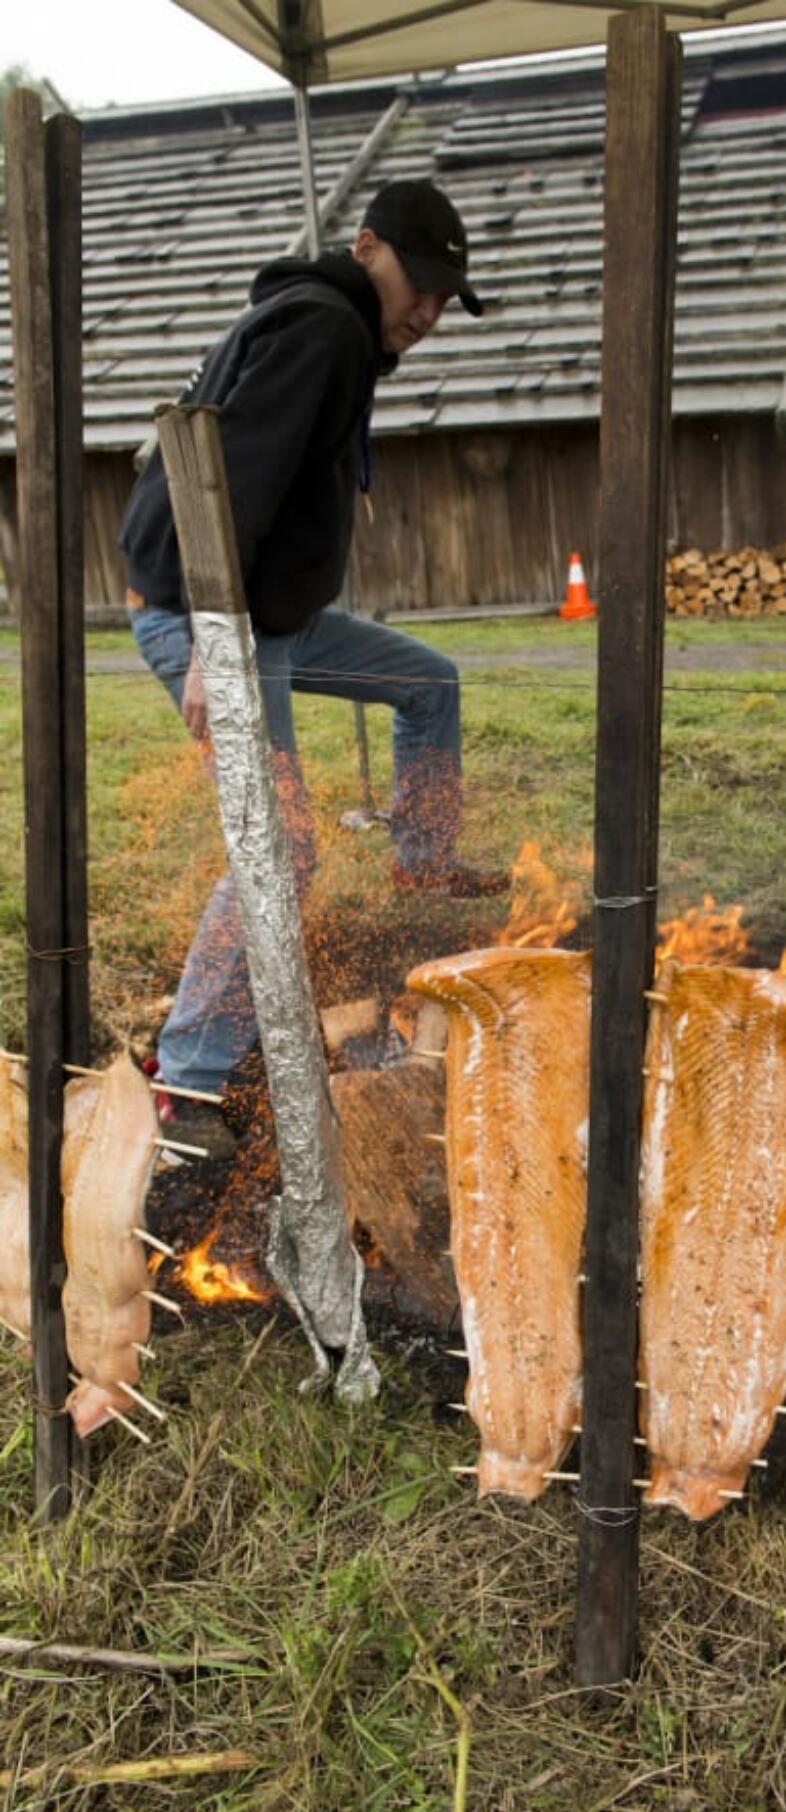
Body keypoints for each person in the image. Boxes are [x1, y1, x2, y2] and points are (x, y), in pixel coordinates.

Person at [120, 178, 508, 1135]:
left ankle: (422, 858)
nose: (424, 311)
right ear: (367, 246)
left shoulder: (337, 330)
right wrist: (216, 642)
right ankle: (190, 1074)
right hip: (212, 617)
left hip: (271, 621)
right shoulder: (325, 330)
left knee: (428, 682)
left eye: (442, 298)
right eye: (416, 283)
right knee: (282, 847)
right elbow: (235, 479)